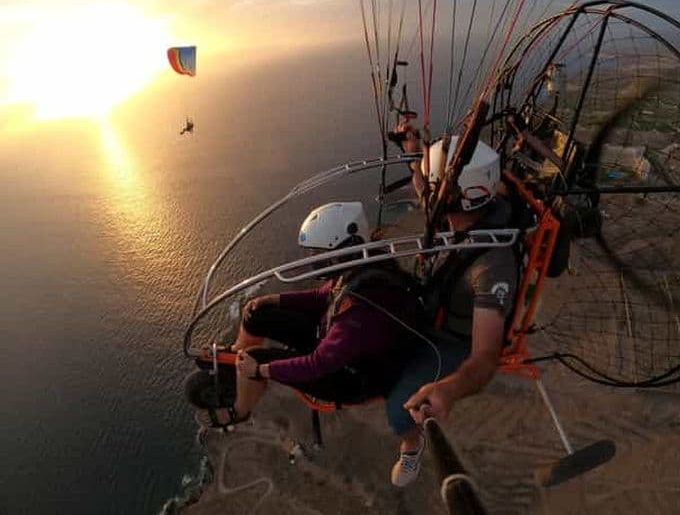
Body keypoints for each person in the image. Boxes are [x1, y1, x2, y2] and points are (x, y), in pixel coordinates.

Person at [191, 201, 419, 429]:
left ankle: (240, 411)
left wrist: (260, 369)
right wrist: (274, 300)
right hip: (333, 342)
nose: (314, 259)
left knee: (257, 357)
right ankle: (237, 366)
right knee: (258, 314)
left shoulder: (360, 312)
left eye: (319, 254)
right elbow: (325, 296)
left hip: (351, 377)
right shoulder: (361, 265)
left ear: (341, 250)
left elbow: (316, 364)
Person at [386, 124, 519, 487]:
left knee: (400, 412)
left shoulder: (492, 266)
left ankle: (411, 447)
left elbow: (485, 357)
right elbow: (424, 187)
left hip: (450, 339)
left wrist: (449, 389)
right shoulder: (461, 212)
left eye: (436, 188)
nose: (428, 195)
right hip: (429, 306)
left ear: (457, 195)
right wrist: (415, 151)